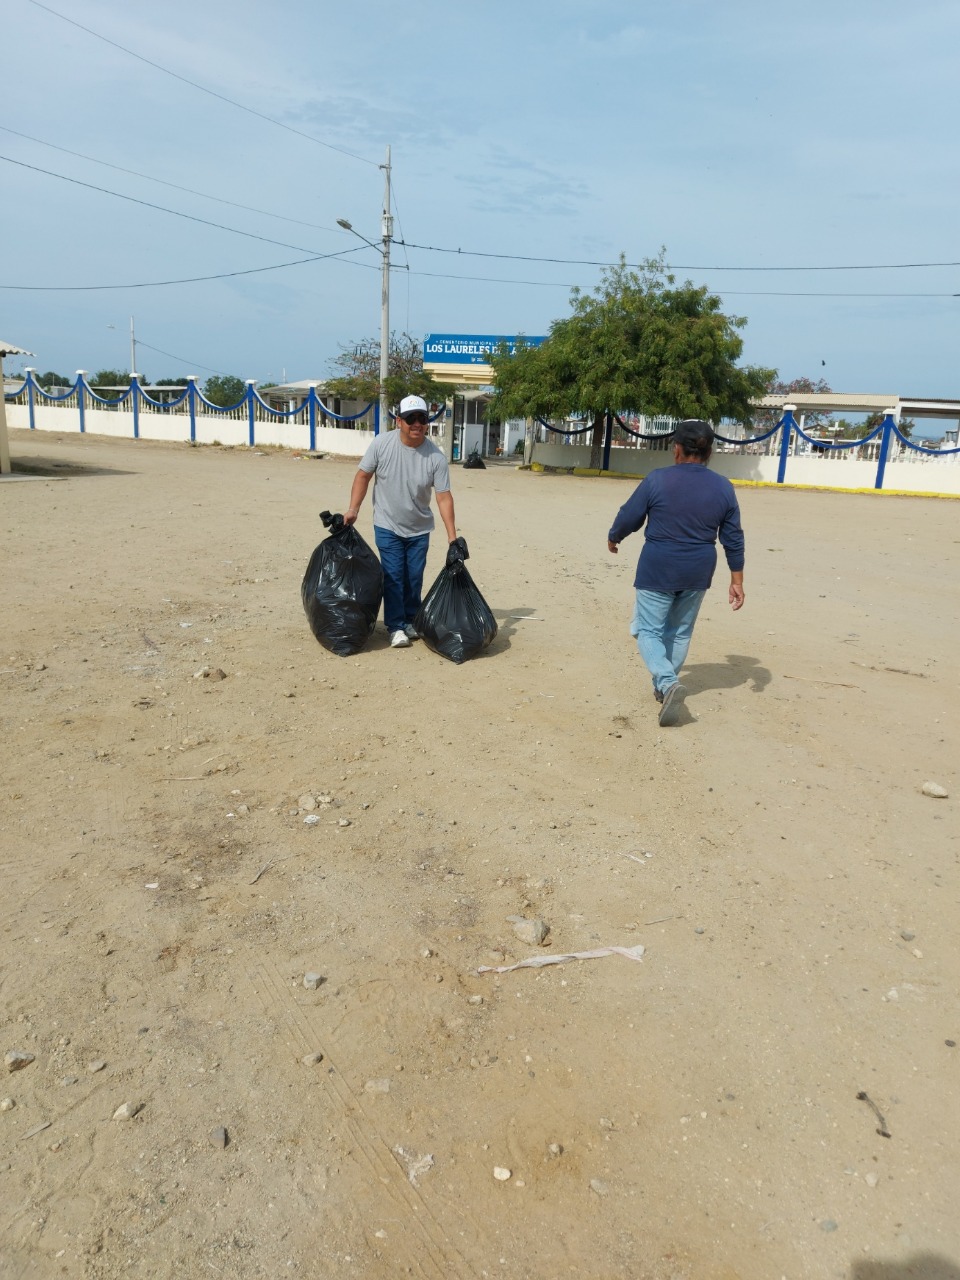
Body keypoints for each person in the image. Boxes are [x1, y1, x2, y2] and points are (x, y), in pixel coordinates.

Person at [607, 419, 745, 726]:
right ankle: (664, 687)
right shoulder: (723, 486)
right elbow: (733, 537)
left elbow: (630, 515)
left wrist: (615, 536)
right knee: (680, 632)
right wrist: (737, 580)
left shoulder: (658, 479)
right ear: (709, 452)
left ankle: (668, 682)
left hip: (659, 566)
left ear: (677, 449)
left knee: (647, 630)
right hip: (698, 569)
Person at [344, 394, 457, 649]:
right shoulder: (382, 444)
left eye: (422, 419)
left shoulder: (436, 458)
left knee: (414, 577)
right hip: (387, 524)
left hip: (419, 528)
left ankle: (410, 618)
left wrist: (453, 538)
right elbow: (363, 476)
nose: (416, 424)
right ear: (398, 421)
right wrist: (353, 509)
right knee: (393, 576)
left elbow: (443, 497)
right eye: (410, 418)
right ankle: (395, 626)